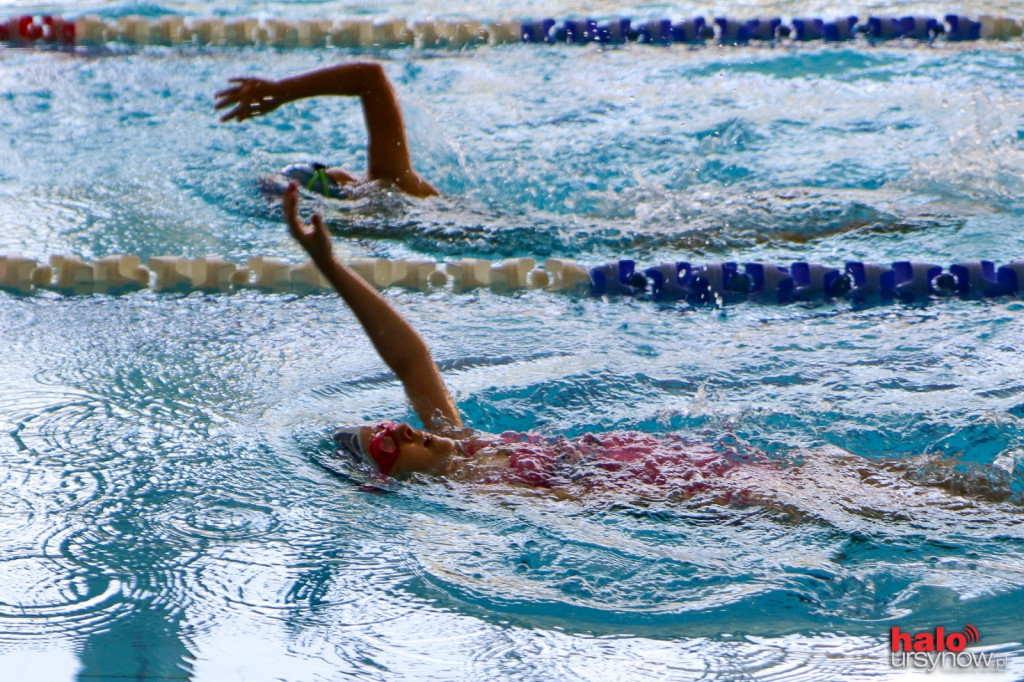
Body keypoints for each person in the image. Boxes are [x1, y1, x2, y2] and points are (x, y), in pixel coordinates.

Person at [284, 181, 1019, 512]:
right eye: (389, 442)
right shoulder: (484, 494)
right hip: (713, 493)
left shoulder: (462, 440)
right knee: (927, 509)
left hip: (724, 463)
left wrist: (330, 267)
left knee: (920, 474)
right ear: (389, 477)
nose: (402, 426)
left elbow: (409, 358)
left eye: (390, 423)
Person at [215, 62, 439, 199]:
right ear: (339, 182)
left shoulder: (387, 182)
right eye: (324, 169)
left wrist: (279, 91)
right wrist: (280, 91)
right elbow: (369, 78)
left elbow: (371, 76)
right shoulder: (390, 179)